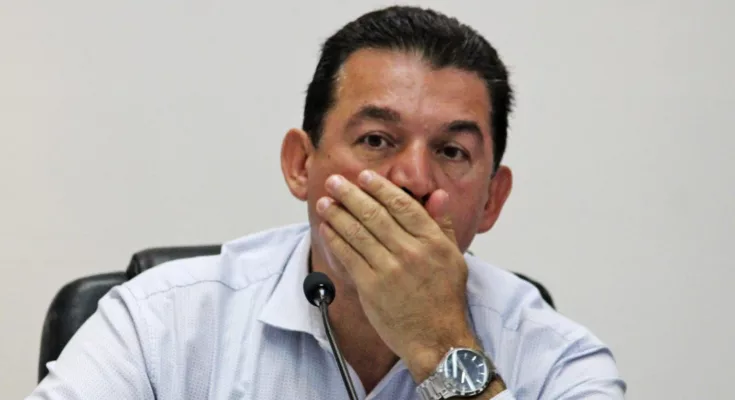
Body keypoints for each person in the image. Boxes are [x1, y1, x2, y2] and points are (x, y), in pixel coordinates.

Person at [28, 5, 626, 400]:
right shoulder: (164, 322)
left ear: (492, 200)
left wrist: (442, 348)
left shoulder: (555, 358)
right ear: (301, 165)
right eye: (377, 140)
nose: (413, 179)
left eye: (451, 151)